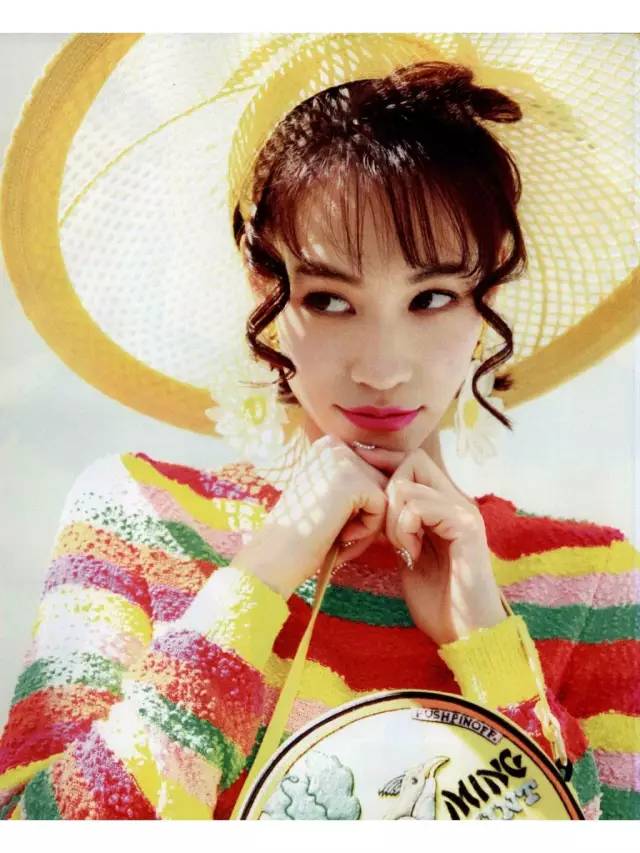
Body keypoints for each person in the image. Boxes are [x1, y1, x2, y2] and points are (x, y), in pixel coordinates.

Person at [0, 33, 638, 821]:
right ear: (259, 283)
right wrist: (263, 575)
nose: (383, 368)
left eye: (432, 297)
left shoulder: (586, 579)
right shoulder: (141, 520)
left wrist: (492, 650)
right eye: (330, 299)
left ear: (490, 291)